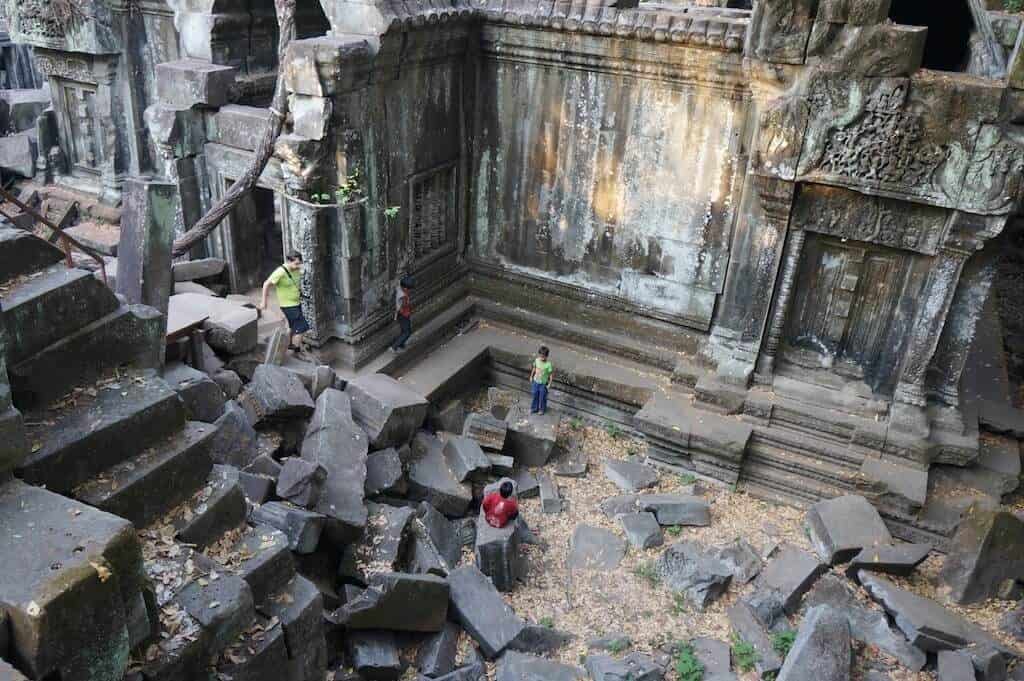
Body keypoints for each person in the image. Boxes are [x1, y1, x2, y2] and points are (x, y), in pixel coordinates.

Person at [259, 251, 309, 353]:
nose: (298, 266)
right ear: (288, 261)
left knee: (293, 326)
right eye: (296, 264)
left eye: (300, 263)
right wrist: (264, 302)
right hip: (288, 305)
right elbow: (266, 284)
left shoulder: (296, 268)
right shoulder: (280, 272)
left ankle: (290, 345)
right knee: (302, 327)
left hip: (296, 303)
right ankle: (296, 351)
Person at [391, 275, 413, 351]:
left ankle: (401, 344)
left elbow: (398, 282)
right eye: (408, 289)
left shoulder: (399, 288)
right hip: (403, 315)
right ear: (405, 288)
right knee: (407, 332)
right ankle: (394, 346)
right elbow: (404, 305)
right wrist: (408, 307)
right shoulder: (403, 296)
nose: (409, 291)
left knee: (404, 330)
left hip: (401, 314)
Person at [530, 345, 554, 415]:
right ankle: (534, 408)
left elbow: (551, 375)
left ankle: (542, 409)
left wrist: (549, 384)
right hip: (536, 382)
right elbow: (534, 368)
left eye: (543, 357)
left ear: (546, 356)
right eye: (541, 356)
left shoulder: (548, 364)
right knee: (535, 395)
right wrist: (531, 376)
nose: (542, 358)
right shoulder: (537, 360)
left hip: (543, 384)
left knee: (542, 397)